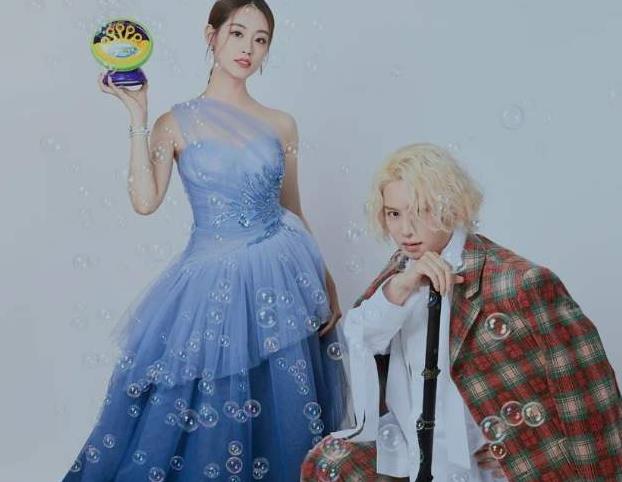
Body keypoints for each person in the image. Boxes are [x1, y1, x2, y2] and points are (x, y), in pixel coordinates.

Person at [62, 1, 347, 480]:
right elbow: (145, 201)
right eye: (237, 33)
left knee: (278, 409)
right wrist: (138, 113)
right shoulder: (174, 123)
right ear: (210, 35)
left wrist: (326, 279)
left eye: (260, 39)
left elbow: (293, 209)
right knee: (200, 413)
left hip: (281, 277)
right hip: (210, 286)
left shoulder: (282, 123)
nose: (248, 48)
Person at [301, 143, 622, 481]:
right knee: (326, 463)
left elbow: (588, 393)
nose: (405, 230)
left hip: (478, 468)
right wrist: (401, 287)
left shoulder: (517, 281)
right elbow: (360, 336)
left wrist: (530, 452)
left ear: (451, 207)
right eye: (394, 213)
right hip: (416, 458)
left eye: (421, 211)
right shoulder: (401, 269)